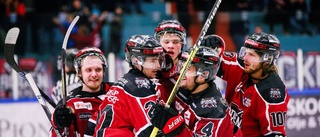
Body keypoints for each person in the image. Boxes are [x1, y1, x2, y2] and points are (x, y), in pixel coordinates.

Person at [93, 34, 186, 137]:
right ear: (136, 61)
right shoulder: (139, 86)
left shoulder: (126, 82)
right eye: (152, 61)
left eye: (158, 60)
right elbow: (147, 132)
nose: (158, 66)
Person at [207, 32, 290, 136]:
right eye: (245, 52)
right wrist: (212, 47)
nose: (245, 58)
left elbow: (275, 134)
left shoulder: (271, 93)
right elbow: (211, 64)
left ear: (267, 59)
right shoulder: (243, 67)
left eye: (251, 55)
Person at [150, 38, 237, 137]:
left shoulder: (212, 110)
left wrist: (173, 126)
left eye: (187, 69)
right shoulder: (188, 87)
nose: (181, 73)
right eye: (182, 66)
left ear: (203, 75)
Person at [50, 47, 113, 137]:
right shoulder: (70, 103)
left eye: (98, 70)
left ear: (104, 71)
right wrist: (58, 125)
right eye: (89, 70)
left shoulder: (117, 91)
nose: (94, 74)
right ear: (79, 72)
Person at [154, 19, 187, 100]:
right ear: (158, 44)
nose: (170, 46)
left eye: (175, 42)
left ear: (182, 45)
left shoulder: (189, 67)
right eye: (166, 42)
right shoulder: (148, 66)